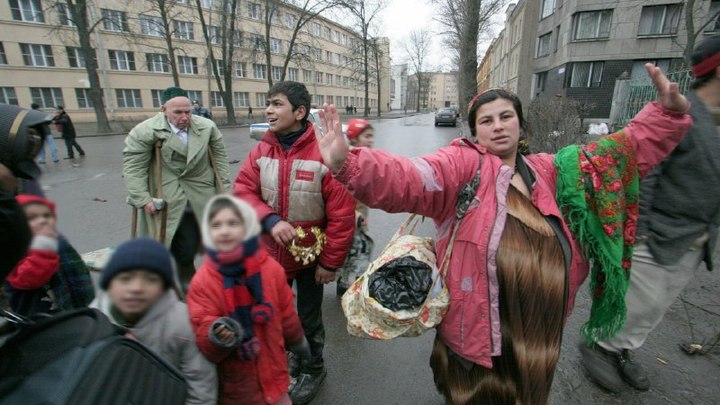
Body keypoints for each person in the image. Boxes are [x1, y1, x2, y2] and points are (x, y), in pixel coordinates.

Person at [315, 64, 691, 404]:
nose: (497, 125)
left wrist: (666, 115)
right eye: (486, 120)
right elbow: (410, 178)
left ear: (520, 124)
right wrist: (348, 164)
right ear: (475, 131)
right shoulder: (462, 166)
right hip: (479, 334)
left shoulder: (553, 171)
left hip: (538, 334)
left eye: (506, 116)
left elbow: (616, 156)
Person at [579, 33, 720, 393]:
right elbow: (645, 165)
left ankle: (622, 350)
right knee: (639, 301)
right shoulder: (687, 118)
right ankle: (600, 346)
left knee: (656, 306)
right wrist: (638, 228)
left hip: (695, 237)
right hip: (656, 232)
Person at [234, 81, 355, 404]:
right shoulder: (263, 149)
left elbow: (343, 216)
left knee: (308, 316)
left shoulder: (324, 152)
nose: (268, 111)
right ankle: (293, 357)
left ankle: (314, 368)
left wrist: (330, 263)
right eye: (268, 104)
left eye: (276, 104)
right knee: (275, 313)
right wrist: (270, 220)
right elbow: (243, 192)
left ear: (299, 112)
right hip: (271, 257)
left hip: (311, 260)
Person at [187, 195, 311, 405]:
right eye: (216, 225)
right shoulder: (203, 282)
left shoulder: (270, 270)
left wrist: (297, 340)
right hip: (237, 385)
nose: (224, 230)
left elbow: (286, 313)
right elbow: (201, 332)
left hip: (274, 374)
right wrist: (215, 334)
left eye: (232, 223)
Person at [123, 86, 231, 288]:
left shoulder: (206, 127)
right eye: (178, 112)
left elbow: (220, 160)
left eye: (188, 111)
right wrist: (142, 197)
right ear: (164, 109)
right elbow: (133, 167)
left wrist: (224, 191)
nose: (184, 117)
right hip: (166, 192)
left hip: (201, 192)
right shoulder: (145, 131)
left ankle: (196, 281)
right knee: (166, 241)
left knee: (198, 241)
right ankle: (173, 282)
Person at [91, 237, 218, 404]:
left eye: (150, 279)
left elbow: (201, 387)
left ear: (164, 288)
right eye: (125, 278)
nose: (136, 288)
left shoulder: (182, 323)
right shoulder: (93, 322)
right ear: (109, 284)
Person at [4, 194, 94, 316]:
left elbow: (76, 268)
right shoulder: (13, 246)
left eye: (46, 216)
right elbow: (26, 279)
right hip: (41, 314)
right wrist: (43, 252)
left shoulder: (52, 238)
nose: (42, 221)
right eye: (31, 218)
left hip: (71, 300)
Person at [336, 119, 375, 297]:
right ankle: (347, 285)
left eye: (371, 136)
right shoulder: (350, 160)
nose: (371, 140)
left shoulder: (363, 157)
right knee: (355, 249)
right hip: (351, 217)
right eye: (366, 136)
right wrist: (354, 213)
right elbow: (342, 191)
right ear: (354, 138)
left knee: (357, 249)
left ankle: (349, 282)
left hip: (359, 216)